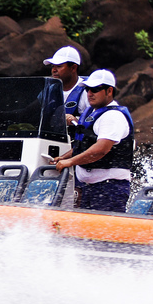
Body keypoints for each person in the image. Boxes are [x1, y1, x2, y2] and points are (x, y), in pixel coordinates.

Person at [52, 69, 133, 213]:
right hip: (89, 188)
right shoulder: (92, 113)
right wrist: (64, 157)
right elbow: (85, 144)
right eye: (88, 89)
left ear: (109, 91)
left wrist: (71, 162)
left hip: (109, 188)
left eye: (95, 89)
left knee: (104, 233)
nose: (90, 93)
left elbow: (101, 149)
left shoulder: (113, 116)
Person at [44, 45, 89, 124]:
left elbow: (95, 119)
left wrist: (77, 120)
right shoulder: (50, 89)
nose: (54, 70)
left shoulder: (88, 91)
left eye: (59, 66)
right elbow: (31, 110)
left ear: (73, 68)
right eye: (52, 66)